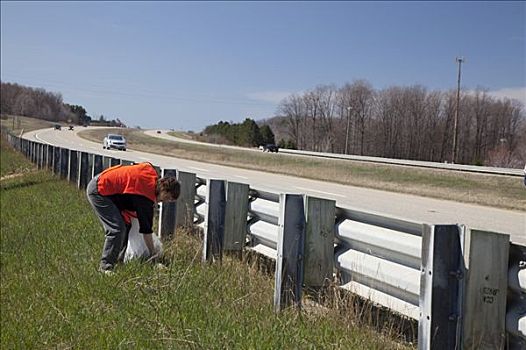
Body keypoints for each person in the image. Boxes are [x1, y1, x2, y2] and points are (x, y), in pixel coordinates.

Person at [86, 162, 180, 273]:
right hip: (99, 191)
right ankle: (105, 267)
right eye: (168, 198)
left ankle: (118, 262)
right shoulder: (145, 197)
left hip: (107, 187)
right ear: (164, 190)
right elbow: (146, 232)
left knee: (126, 225)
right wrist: (154, 256)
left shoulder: (151, 177)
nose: (166, 201)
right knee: (116, 229)